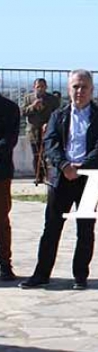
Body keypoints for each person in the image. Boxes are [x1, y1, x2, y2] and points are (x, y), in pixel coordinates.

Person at [20, 70, 98, 290]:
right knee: (51, 227)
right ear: (69, 89)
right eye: (75, 87)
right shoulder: (58, 115)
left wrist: (82, 167)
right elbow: (50, 142)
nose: (79, 91)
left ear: (91, 90)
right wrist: (64, 165)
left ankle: (80, 275)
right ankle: (41, 274)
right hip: (61, 177)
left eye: (84, 87)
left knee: (85, 229)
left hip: (88, 178)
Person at [21, 78, 60, 184]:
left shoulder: (52, 99)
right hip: (33, 131)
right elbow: (22, 112)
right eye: (38, 87)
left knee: (47, 154)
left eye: (42, 86)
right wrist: (33, 107)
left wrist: (50, 124)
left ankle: (48, 175)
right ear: (34, 87)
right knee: (37, 154)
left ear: (46, 87)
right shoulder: (28, 98)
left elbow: (57, 114)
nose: (40, 89)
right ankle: (38, 176)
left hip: (47, 130)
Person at [0, 92, 20, 281]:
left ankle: (4, 264)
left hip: (1, 171)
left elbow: (8, 141)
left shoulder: (9, 108)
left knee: (1, 220)